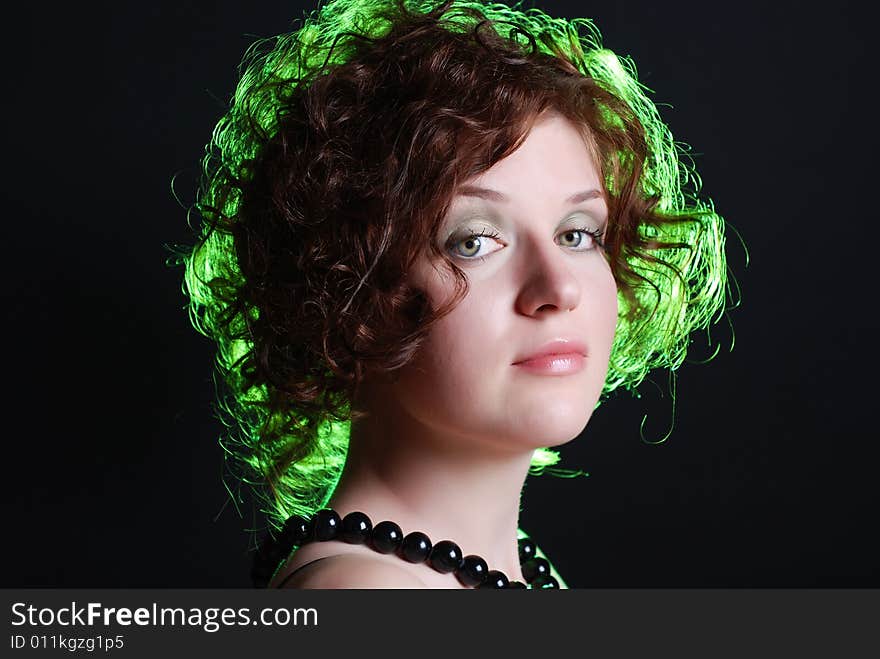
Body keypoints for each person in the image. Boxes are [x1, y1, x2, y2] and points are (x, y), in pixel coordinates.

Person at [178, 0, 730, 589]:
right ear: (348, 294)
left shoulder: (505, 573)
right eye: (474, 242)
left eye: (578, 234)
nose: (559, 288)